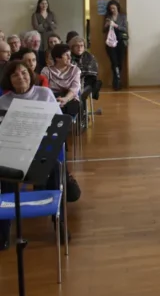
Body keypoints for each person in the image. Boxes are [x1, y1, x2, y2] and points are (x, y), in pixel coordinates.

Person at [0, 60, 63, 251]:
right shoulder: (3, 101)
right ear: (9, 80)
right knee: (5, 174)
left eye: (24, 73)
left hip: (39, 152)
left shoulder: (44, 94)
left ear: (30, 74)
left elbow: (59, 124)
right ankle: (3, 230)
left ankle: (58, 222)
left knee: (53, 166)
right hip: (13, 155)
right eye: (15, 75)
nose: (20, 77)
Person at [41, 43, 81, 116]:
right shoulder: (46, 71)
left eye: (70, 55)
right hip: (52, 98)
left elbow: (75, 88)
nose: (69, 57)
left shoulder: (75, 70)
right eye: (66, 55)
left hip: (70, 97)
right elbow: (44, 89)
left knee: (69, 109)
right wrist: (53, 99)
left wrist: (66, 99)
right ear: (57, 58)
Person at [103, 0, 128, 90]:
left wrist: (116, 25)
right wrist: (106, 25)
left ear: (117, 7)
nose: (112, 10)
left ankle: (117, 80)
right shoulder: (108, 17)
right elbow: (103, 30)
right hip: (110, 42)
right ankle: (117, 81)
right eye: (111, 8)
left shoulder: (123, 17)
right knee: (114, 62)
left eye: (114, 8)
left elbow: (125, 29)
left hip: (121, 41)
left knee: (120, 62)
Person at [69, 36, 101, 100]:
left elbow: (93, 71)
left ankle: (86, 92)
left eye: (81, 46)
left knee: (93, 79)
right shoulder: (68, 56)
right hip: (71, 79)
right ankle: (85, 93)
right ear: (72, 47)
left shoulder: (89, 56)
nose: (79, 48)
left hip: (86, 79)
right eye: (77, 46)